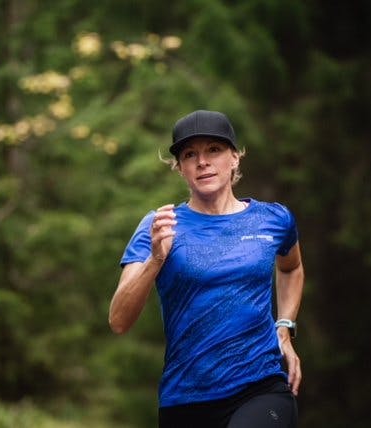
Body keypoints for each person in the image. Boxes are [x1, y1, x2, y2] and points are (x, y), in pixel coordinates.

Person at [108, 110, 304, 427]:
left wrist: (284, 327)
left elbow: (291, 268)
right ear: (181, 168)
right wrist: (155, 260)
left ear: (235, 158)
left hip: (261, 388)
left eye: (214, 149)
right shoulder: (158, 226)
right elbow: (118, 320)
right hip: (185, 398)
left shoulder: (273, 220)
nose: (203, 161)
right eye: (190, 154)